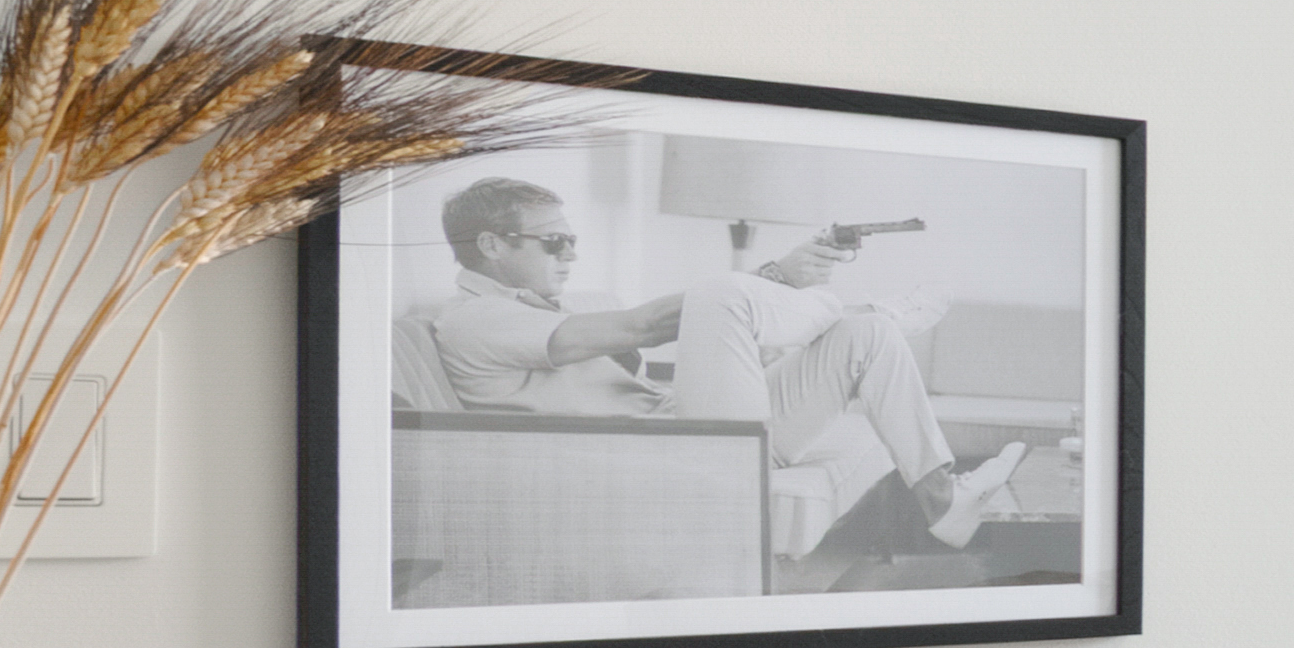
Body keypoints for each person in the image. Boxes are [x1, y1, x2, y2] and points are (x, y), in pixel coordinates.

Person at [670, 221, 1025, 554]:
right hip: (662, 436)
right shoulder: (614, 325)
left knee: (870, 333)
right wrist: (777, 275)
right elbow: (648, 324)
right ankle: (871, 310)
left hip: (670, 410)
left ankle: (943, 499)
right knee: (716, 293)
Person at [404, 181, 677, 413]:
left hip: (665, 422)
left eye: (572, 241)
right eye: (554, 241)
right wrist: (711, 298)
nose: (571, 255)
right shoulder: (476, 317)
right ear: (491, 245)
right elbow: (644, 327)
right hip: (636, 444)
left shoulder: (528, 305)